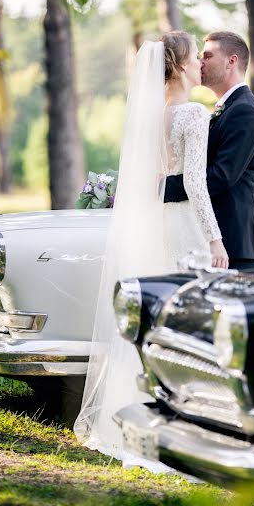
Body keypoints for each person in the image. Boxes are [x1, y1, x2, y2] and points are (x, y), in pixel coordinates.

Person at [74, 31, 227, 464]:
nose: (201, 62)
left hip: (153, 223)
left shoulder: (151, 116)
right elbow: (195, 184)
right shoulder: (193, 115)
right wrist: (215, 239)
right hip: (182, 226)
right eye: (195, 56)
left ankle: (135, 419)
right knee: (190, 327)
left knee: (152, 325)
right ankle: (186, 429)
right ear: (179, 65)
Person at [165, 31, 254, 271]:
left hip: (235, 241)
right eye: (199, 57)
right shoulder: (224, 108)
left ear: (231, 61)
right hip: (209, 237)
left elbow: (220, 177)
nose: (201, 63)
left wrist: (161, 188)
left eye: (208, 56)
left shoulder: (246, 111)